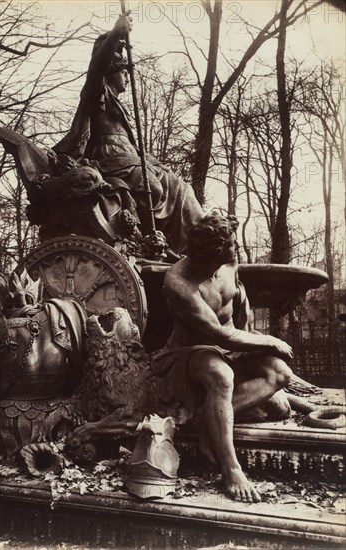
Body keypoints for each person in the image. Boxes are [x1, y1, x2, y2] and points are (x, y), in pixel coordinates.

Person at [152, 212, 293, 502]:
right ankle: (231, 469)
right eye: (231, 243)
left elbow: (240, 308)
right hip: (191, 352)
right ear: (214, 251)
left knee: (281, 375)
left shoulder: (229, 261)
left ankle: (209, 420)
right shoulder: (179, 282)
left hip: (233, 343)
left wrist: (256, 342)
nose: (236, 246)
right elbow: (218, 334)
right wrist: (268, 340)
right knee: (222, 376)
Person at [54, 13, 203, 253]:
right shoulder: (97, 92)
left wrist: (152, 161)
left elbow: (133, 145)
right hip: (111, 159)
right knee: (153, 189)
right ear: (112, 73)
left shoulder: (119, 104)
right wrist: (115, 34)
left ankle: (194, 244)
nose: (127, 77)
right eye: (124, 72)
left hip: (131, 157)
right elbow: (96, 67)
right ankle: (147, 241)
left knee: (180, 187)